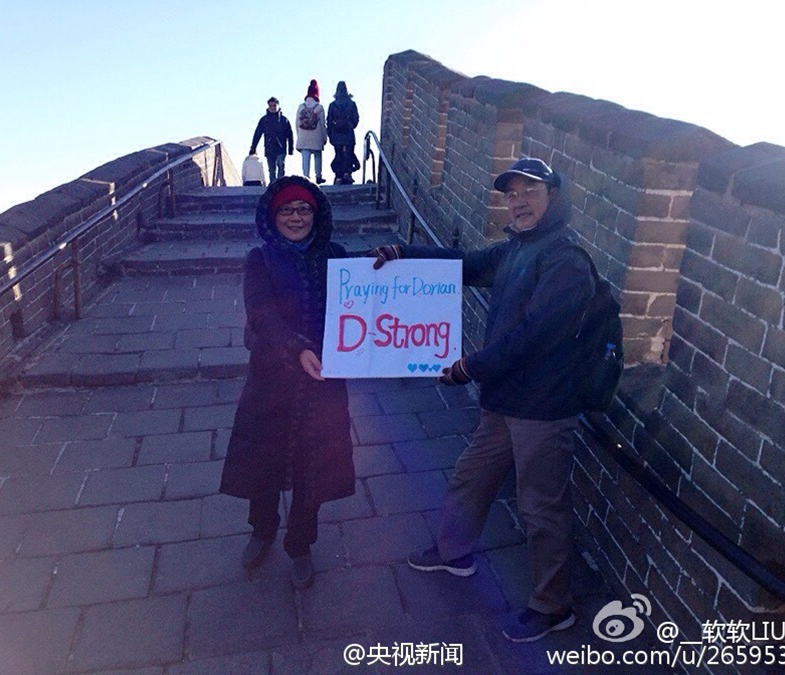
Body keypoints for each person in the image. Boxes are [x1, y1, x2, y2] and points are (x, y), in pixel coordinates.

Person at [373, 158, 595, 642]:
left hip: (543, 408)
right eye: (511, 194)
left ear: (553, 195)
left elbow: (536, 338)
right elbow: (467, 265)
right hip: (504, 403)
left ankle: (553, 606)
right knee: (471, 478)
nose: (518, 201)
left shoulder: (566, 259)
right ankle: (454, 553)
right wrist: (403, 251)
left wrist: (471, 367)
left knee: (540, 509)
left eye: (528, 191)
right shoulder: (519, 248)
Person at [219, 175, 355, 590]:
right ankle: (262, 530)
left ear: (316, 215)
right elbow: (261, 315)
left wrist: (388, 261)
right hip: (273, 377)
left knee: (313, 464)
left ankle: (300, 544)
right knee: (265, 458)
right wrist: (296, 347)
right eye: (287, 210)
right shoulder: (259, 260)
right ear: (272, 216)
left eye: (304, 210)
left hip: (323, 381)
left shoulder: (337, 255)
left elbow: (363, 301)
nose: (296, 217)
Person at [249, 97, 295, 184]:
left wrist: (290, 149)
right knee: (271, 169)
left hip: (281, 147)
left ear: (278, 106)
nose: (273, 107)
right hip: (269, 147)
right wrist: (253, 147)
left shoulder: (284, 120)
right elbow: (257, 134)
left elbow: (290, 134)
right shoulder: (264, 120)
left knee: (281, 165)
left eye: (274, 105)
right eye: (271, 106)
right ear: (268, 106)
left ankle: (281, 184)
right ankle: (273, 185)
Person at [326, 81, 360, 184]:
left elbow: (329, 121)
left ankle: (338, 176)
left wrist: (330, 134)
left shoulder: (332, 105)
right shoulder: (352, 104)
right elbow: (356, 119)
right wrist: (350, 124)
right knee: (348, 154)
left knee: (338, 154)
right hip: (348, 133)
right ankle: (347, 173)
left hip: (337, 134)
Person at [295, 79, 327, 184]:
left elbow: (296, 123)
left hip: (303, 136)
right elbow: (322, 124)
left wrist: (299, 135)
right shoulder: (319, 108)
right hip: (316, 135)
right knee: (317, 156)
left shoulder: (301, 107)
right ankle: (318, 176)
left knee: (305, 156)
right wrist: (324, 137)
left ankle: (306, 177)